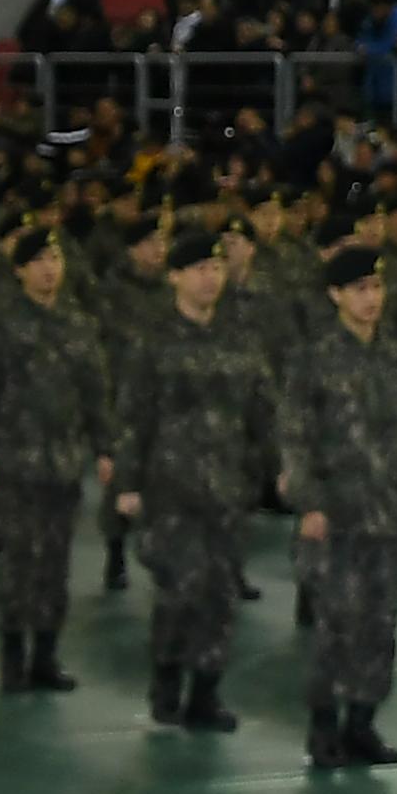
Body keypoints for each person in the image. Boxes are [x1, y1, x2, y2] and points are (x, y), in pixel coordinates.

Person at [285, 242, 397, 770]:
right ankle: (324, 729)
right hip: (333, 517)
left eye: (377, 287)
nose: (372, 298)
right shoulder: (313, 359)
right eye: (360, 289)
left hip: (386, 514)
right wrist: (308, 503)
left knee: (380, 625)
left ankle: (362, 724)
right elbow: (295, 439)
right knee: (335, 626)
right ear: (335, 295)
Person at [111, 227, 276, 735]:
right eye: (200, 269)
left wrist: (281, 467)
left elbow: (265, 412)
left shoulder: (241, 338)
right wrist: (128, 483)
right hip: (170, 491)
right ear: (175, 277)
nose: (211, 278)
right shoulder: (152, 339)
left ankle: (206, 690)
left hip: (227, 489)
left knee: (220, 594)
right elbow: (133, 417)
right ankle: (166, 681)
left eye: (217, 268)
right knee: (179, 591)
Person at [0, 225, 113, 697]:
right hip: (15, 462)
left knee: (55, 563)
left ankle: (46, 655)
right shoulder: (0, 324)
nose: (51, 270)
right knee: (18, 563)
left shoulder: (78, 323)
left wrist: (107, 448)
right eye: (40, 262)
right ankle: (13, 657)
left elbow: (96, 393)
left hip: (64, 464)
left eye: (56, 260)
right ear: (20, 270)